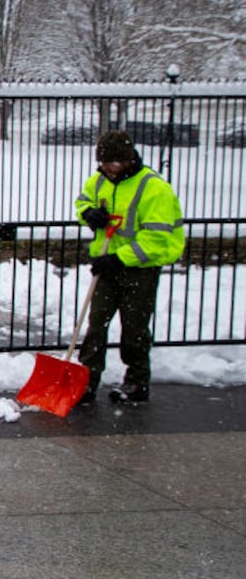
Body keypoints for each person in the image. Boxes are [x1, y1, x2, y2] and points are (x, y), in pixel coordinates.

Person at [73, 129, 184, 406]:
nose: (109, 167)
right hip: (107, 266)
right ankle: (86, 382)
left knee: (134, 327)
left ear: (129, 159)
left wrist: (120, 257)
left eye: (115, 162)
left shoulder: (154, 188)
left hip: (140, 269)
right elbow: (82, 200)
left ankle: (136, 381)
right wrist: (88, 214)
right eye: (104, 162)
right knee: (96, 324)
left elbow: (156, 239)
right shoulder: (99, 181)